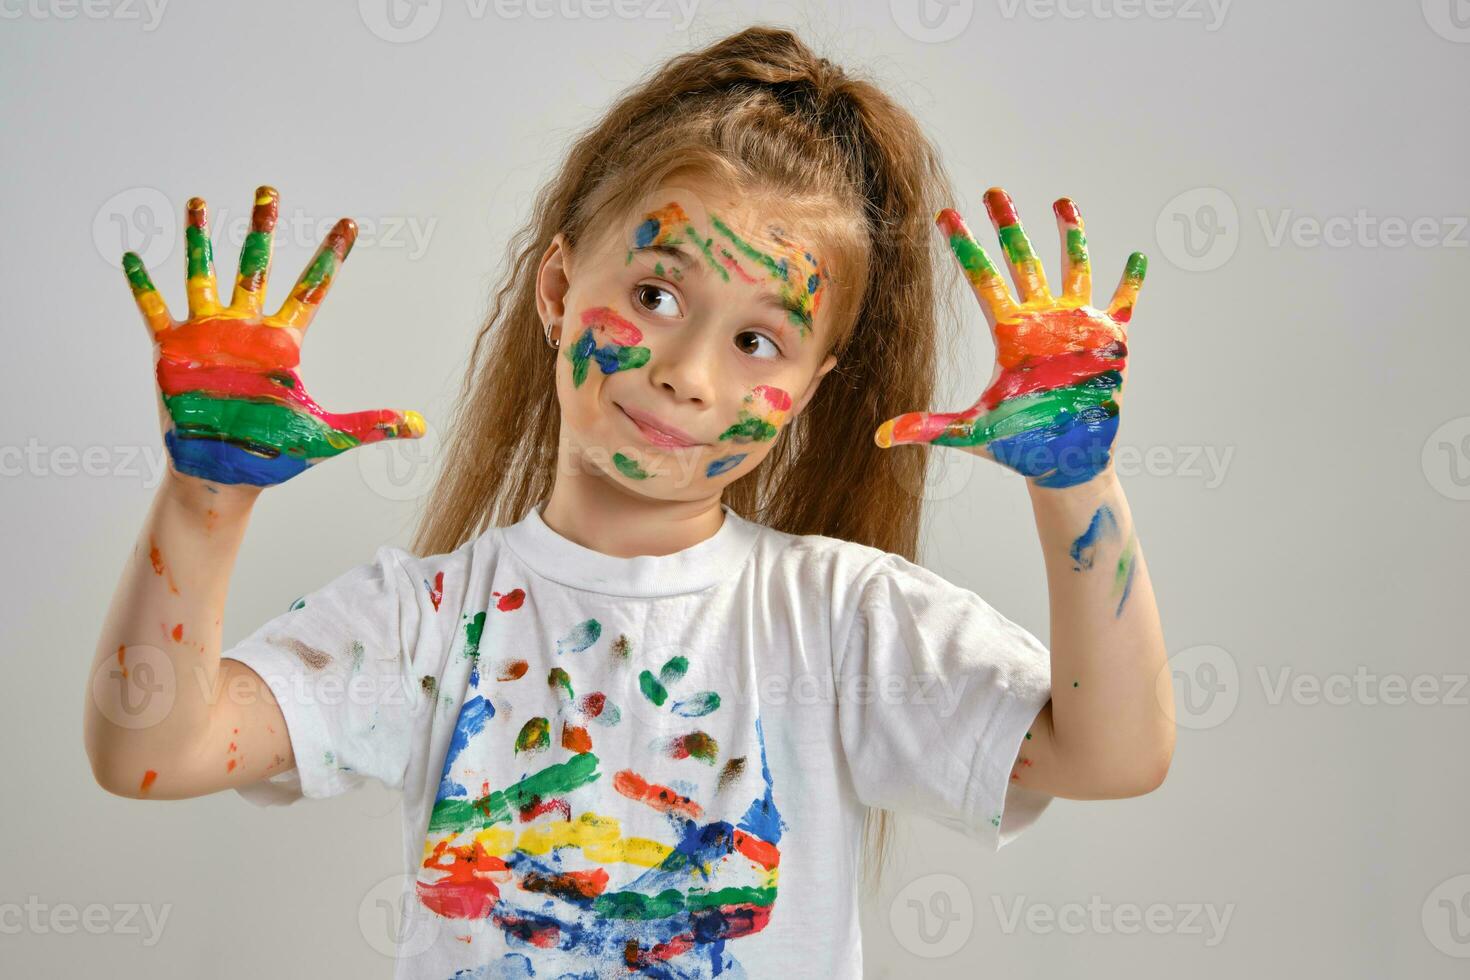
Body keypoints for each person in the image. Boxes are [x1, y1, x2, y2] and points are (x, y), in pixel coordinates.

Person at [84, 25, 1174, 979]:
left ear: (810, 389)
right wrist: (204, 501)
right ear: (558, 291)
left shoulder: (837, 617)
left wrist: (1078, 486)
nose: (690, 373)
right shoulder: (426, 620)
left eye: (758, 339)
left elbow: (1115, 753)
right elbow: (154, 750)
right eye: (655, 295)